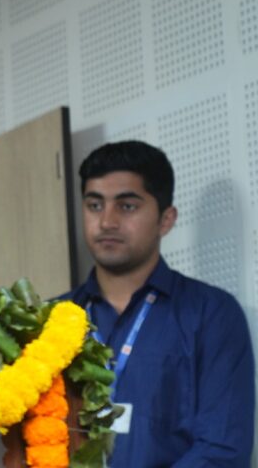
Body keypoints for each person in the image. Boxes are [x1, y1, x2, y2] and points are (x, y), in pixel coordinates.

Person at [64, 140, 254, 466]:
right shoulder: (53, 319)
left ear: (165, 220)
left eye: (126, 206)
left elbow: (223, 450)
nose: (107, 221)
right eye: (94, 205)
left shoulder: (211, 314)